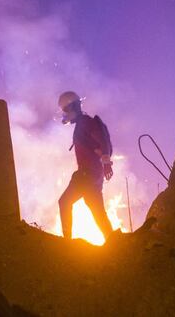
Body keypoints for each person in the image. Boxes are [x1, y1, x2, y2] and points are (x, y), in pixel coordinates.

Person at [57, 91, 114, 241]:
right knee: (97, 211)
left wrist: (107, 162)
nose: (64, 114)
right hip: (94, 175)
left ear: (72, 107)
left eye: (65, 110)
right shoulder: (83, 124)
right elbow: (97, 145)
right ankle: (114, 241)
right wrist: (105, 164)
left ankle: (67, 243)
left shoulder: (86, 123)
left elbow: (101, 142)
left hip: (87, 174)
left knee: (64, 202)